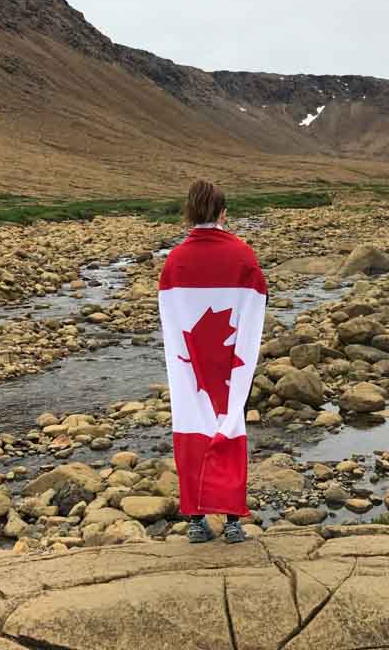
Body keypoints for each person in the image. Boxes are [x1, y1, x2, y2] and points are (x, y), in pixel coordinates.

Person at [158, 180, 267, 544]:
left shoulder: (174, 261)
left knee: (193, 429)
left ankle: (196, 520)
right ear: (223, 213)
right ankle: (233, 522)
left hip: (189, 366)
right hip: (232, 362)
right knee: (231, 424)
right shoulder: (243, 256)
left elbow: (170, 316)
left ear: (188, 213)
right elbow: (256, 304)